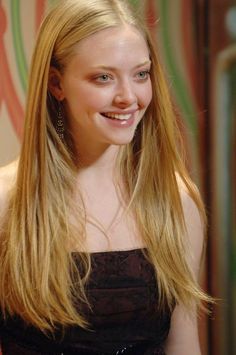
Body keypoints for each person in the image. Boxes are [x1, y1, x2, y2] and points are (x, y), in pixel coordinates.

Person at [0, 0, 211, 354]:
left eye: (141, 74)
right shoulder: (7, 202)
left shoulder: (177, 200)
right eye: (103, 77)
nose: (129, 97)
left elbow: (183, 343)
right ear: (56, 84)